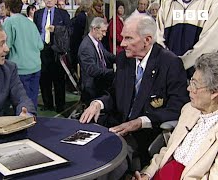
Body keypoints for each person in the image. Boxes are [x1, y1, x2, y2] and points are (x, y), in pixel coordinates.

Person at [79, 14, 189, 168]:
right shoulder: (124, 59)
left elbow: (178, 108)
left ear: (147, 40)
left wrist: (140, 122)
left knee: (103, 162)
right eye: (123, 37)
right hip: (117, 125)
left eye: (129, 38)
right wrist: (98, 103)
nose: (122, 43)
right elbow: (114, 93)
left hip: (144, 134)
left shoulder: (170, 63)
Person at [133, 52, 218, 180]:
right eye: (190, 82)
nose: (189, 88)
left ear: (214, 93)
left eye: (195, 84)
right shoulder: (189, 110)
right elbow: (168, 150)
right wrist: (148, 174)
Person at [156, 0, 218, 79]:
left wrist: (180, 64)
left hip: (199, 77)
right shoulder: (166, 3)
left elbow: (209, 44)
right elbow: (158, 38)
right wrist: (168, 63)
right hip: (168, 74)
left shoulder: (212, 3)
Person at [3, 0, 43, 109]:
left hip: (20, 69)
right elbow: (40, 45)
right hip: (35, 66)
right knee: (32, 100)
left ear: (7, 7)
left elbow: (6, 46)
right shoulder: (30, 22)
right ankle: (33, 123)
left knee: (22, 103)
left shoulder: (9, 22)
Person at [33, 0, 71, 112]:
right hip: (42, 50)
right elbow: (35, 31)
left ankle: (60, 105)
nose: (49, 0)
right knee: (44, 79)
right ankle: (47, 103)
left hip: (57, 51)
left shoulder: (63, 14)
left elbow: (69, 30)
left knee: (59, 79)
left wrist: (57, 29)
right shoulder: (38, 14)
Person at [78, 17, 115, 106]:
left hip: (99, 79)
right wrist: (113, 72)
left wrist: (121, 58)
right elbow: (92, 70)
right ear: (94, 29)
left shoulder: (96, 41)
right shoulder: (86, 47)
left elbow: (107, 55)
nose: (105, 34)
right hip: (93, 85)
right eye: (103, 31)